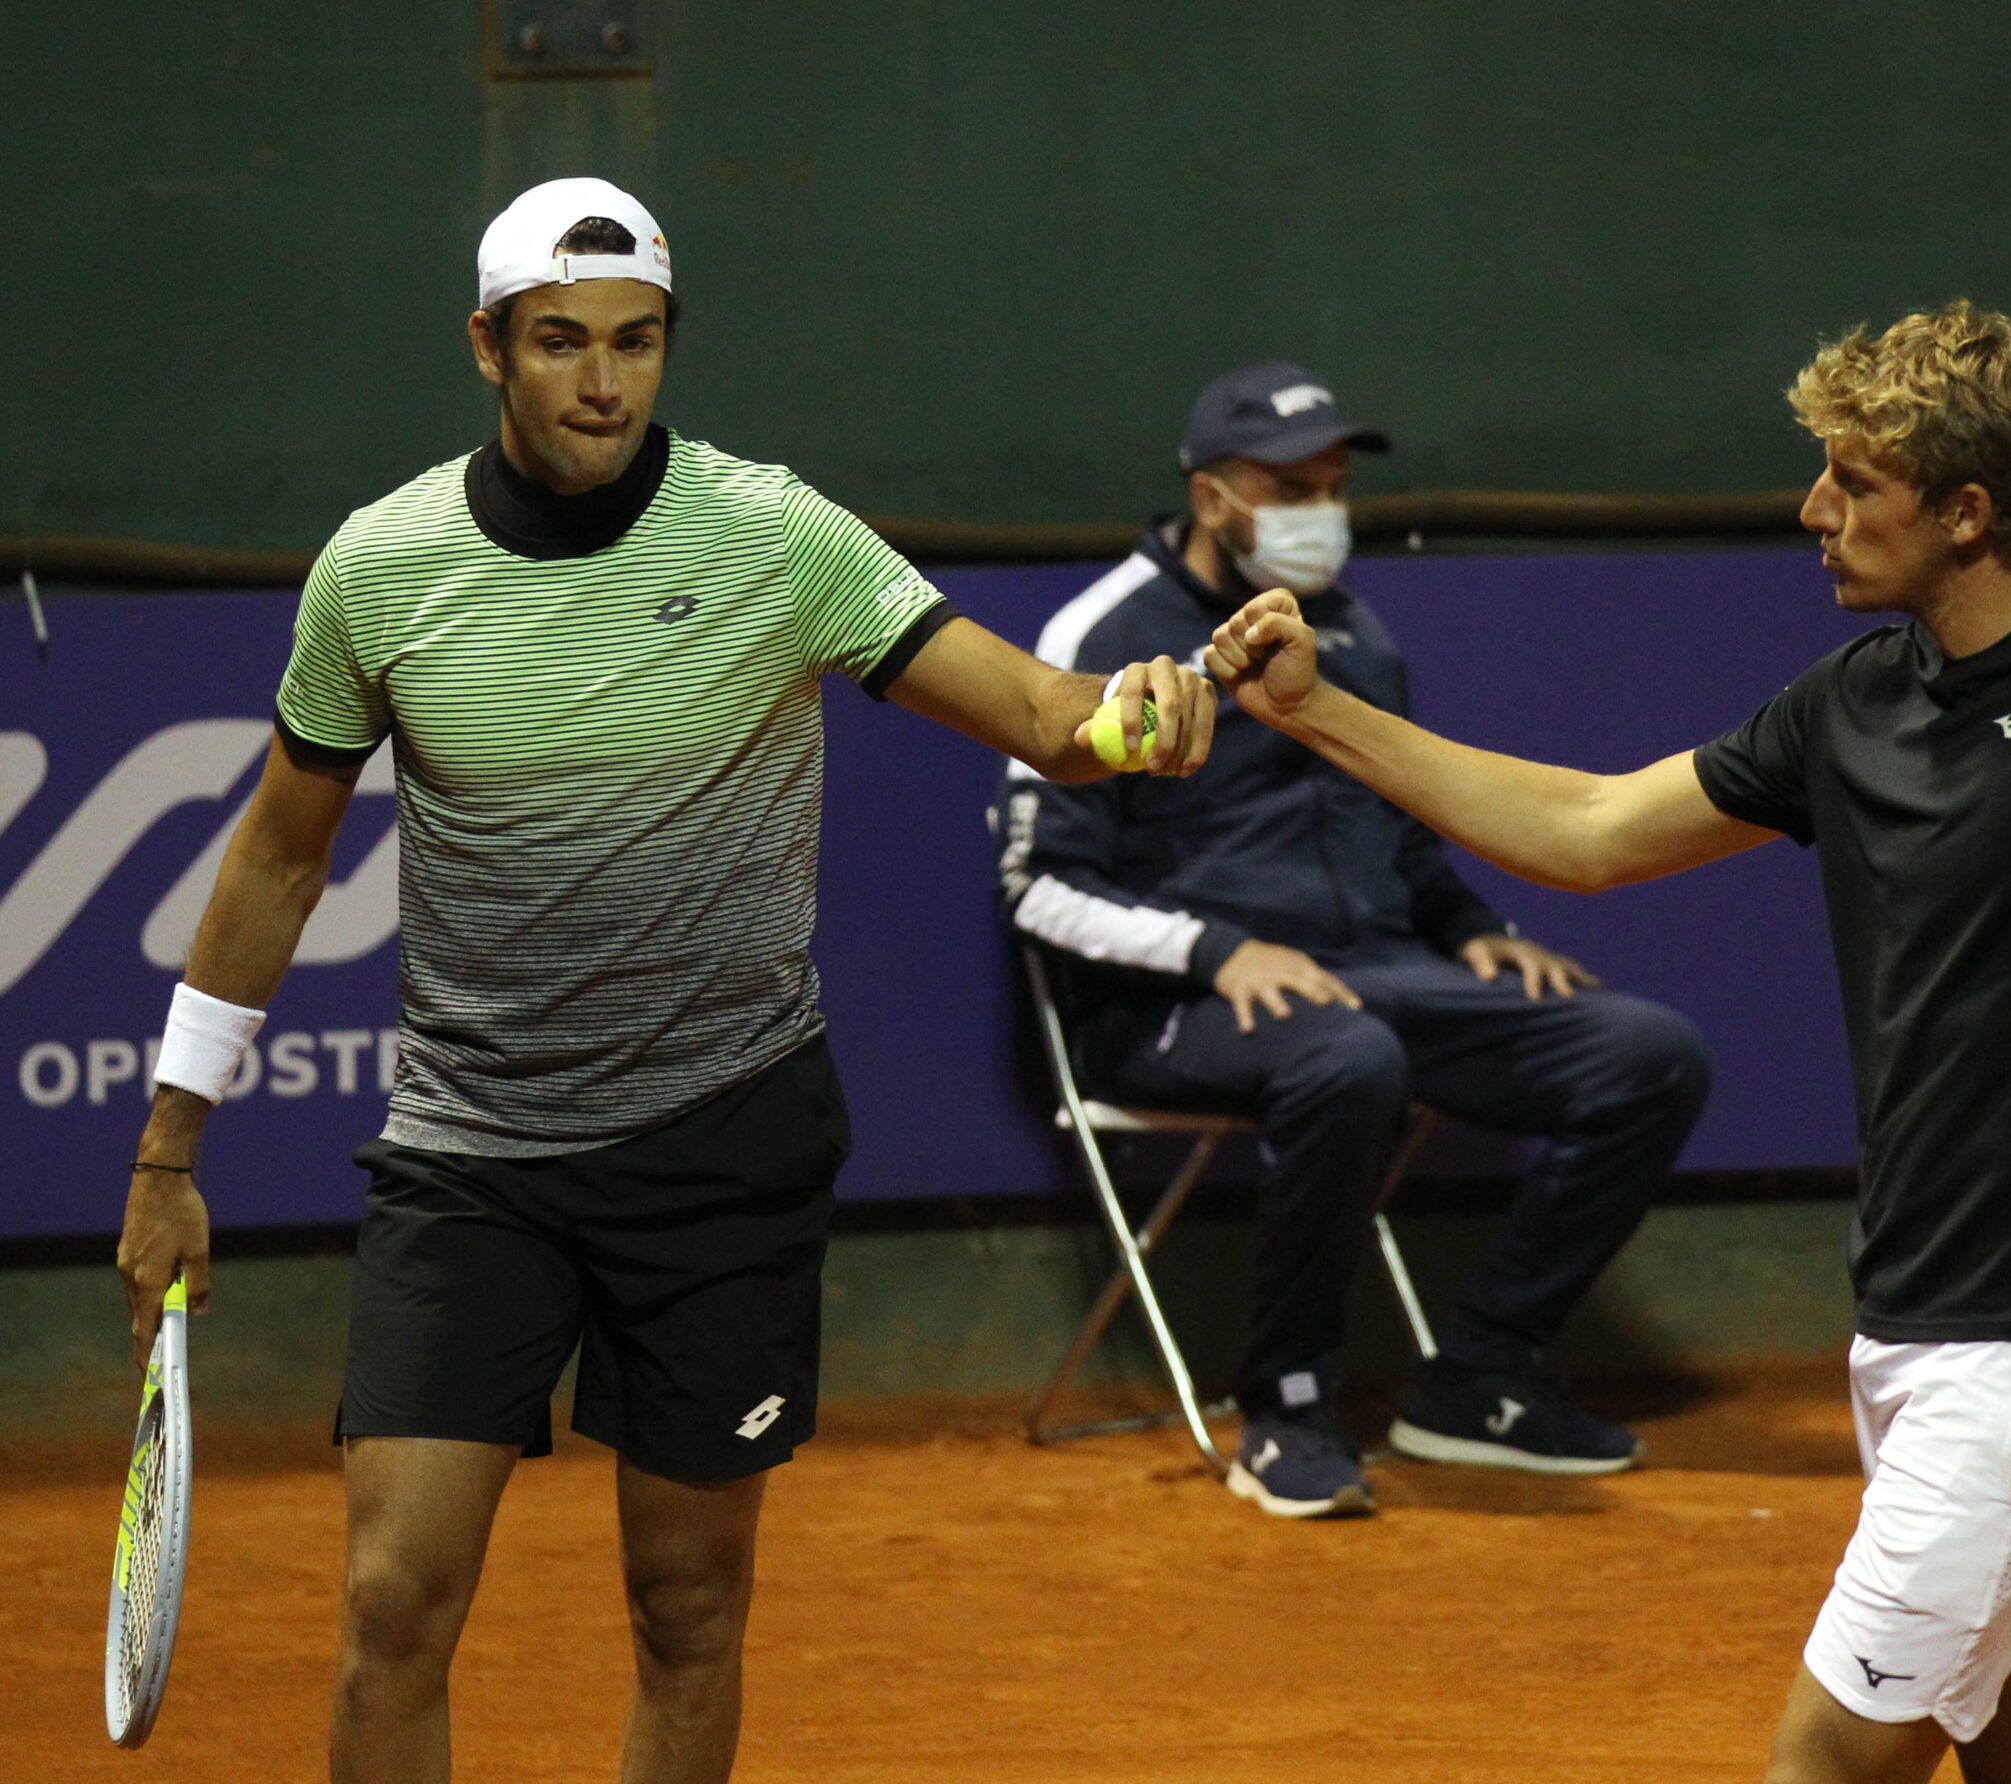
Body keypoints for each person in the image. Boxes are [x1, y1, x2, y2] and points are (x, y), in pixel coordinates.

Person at [1205, 304, 2011, 1779]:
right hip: (1918, 1326)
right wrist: (1318, 712)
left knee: (1827, 1764)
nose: (1815, 512)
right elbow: (1592, 830)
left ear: (1968, 512)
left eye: (1856, 484)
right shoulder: (1855, 700)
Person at [112, 176, 1215, 1784]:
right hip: (472, 1159)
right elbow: (279, 861)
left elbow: (1054, 717)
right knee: (390, 1600)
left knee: (689, 1607)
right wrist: (168, 1147)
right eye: (561, 343)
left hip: (725, 1147)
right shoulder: (379, 570)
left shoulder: (776, 536)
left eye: (636, 341)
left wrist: (1154, 710)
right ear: (487, 348)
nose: (604, 381)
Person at [998, 361, 1712, 1519]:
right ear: (1212, 494)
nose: (1317, 511)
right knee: (1349, 1056)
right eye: (1288, 486)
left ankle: (1477, 1376)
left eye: (1330, 484)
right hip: (1178, 1008)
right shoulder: (1101, 632)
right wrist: (1215, 952)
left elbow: (1406, 833)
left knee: (1646, 1053)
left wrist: (1476, 929)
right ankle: (1285, 1408)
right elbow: (1036, 885)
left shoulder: (1352, 635)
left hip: (1379, 976)